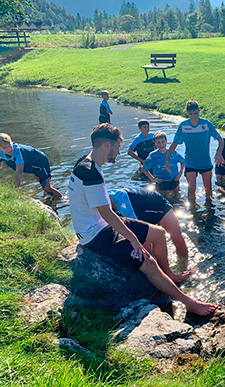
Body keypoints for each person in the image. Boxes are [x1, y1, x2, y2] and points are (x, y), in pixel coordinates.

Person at [68, 123, 215, 315]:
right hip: (95, 235)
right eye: (118, 147)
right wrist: (133, 240)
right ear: (106, 145)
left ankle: (168, 275)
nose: (119, 153)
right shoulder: (90, 173)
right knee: (148, 260)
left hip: (101, 224)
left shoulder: (86, 164)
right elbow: (107, 214)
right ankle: (189, 302)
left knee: (159, 233)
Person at [165, 100, 225, 201]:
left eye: (196, 113)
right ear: (187, 113)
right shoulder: (183, 126)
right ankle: (193, 211)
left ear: (199, 111)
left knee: (208, 188)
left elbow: (221, 140)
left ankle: (209, 208)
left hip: (205, 162)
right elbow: (174, 143)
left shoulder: (206, 124)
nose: (193, 116)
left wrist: (219, 153)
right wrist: (166, 159)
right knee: (191, 188)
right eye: (190, 114)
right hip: (190, 162)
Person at [108, 187, 188, 258]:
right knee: (148, 246)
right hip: (140, 212)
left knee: (178, 240)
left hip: (157, 205)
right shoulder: (104, 206)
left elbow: (138, 231)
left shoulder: (120, 200)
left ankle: (184, 265)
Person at [0, 133, 62, 198]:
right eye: (5, 147)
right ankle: (48, 195)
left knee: (47, 188)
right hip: (29, 163)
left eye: (10, 145)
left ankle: (62, 199)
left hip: (39, 161)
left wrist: (15, 189)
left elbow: (19, 171)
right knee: (39, 179)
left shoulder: (18, 151)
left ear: (11, 142)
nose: (9, 149)